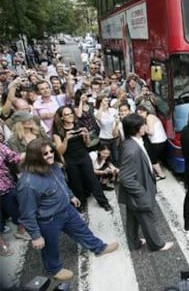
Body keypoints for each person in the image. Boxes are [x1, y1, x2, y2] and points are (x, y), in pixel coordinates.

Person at [17, 138, 119, 280]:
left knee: (82, 230)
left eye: (51, 151)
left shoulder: (52, 167)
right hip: (48, 220)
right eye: (45, 154)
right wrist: (35, 236)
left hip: (66, 209)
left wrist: (71, 196)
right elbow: (27, 213)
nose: (50, 155)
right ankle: (54, 270)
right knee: (50, 247)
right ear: (35, 157)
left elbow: (61, 184)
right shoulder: (28, 184)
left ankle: (99, 248)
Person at [118, 113, 174, 251]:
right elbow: (126, 178)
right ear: (136, 129)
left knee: (132, 219)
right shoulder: (131, 149)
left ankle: (134, 243)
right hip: (139, 192)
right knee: (146, 218)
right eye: (143, 124)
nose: (145, 126)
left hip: (136, 192)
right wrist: (142, 194)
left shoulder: (132, 142)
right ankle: (156, 245)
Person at [53, 106, 112, 213]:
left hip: (83, 156)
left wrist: (86, 135)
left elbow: (88, 144)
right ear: (61, 117)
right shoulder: (58, 131)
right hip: (70, 159)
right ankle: (81, 204)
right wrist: (66, 139)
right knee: (76, 182)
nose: (70, 115)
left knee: (92, 179)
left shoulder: (79, 125)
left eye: (71, 113)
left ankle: (104, 202)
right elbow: (59, 152)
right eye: (67, 114)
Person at [136, 105, 167, 180]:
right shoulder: (149, 117)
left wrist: (142, 125)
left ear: (146, 111)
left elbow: (151, 132)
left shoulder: (149, 117)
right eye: (138, 114)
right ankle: (158, 172)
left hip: (158, 141)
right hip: (159, 140)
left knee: (152, 158)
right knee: (153, 157)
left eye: (141, 112)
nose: (140, 115)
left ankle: (161, 175)